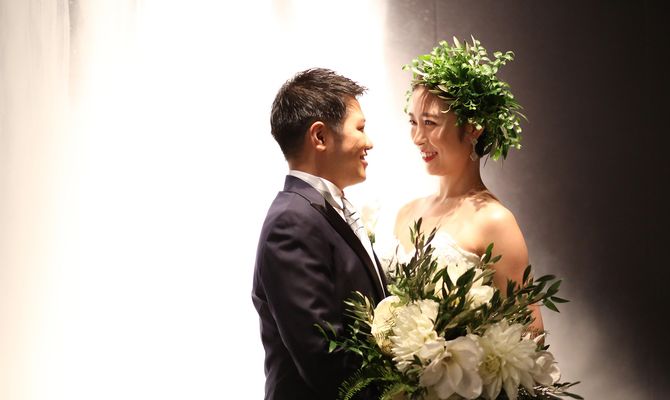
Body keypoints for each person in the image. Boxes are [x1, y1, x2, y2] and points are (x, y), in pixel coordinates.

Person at [252, 68, 387, 400]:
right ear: (320, 137)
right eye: (360, 128)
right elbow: (325, 360)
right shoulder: (291, 223)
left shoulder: (319, 213)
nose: (369, 142)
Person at [393, 39, 544, 337]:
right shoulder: (406, 213)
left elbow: (530, 336)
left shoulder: (494, 221)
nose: (418, 137)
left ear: (473, 127)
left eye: (430, 123)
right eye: (413, 122)